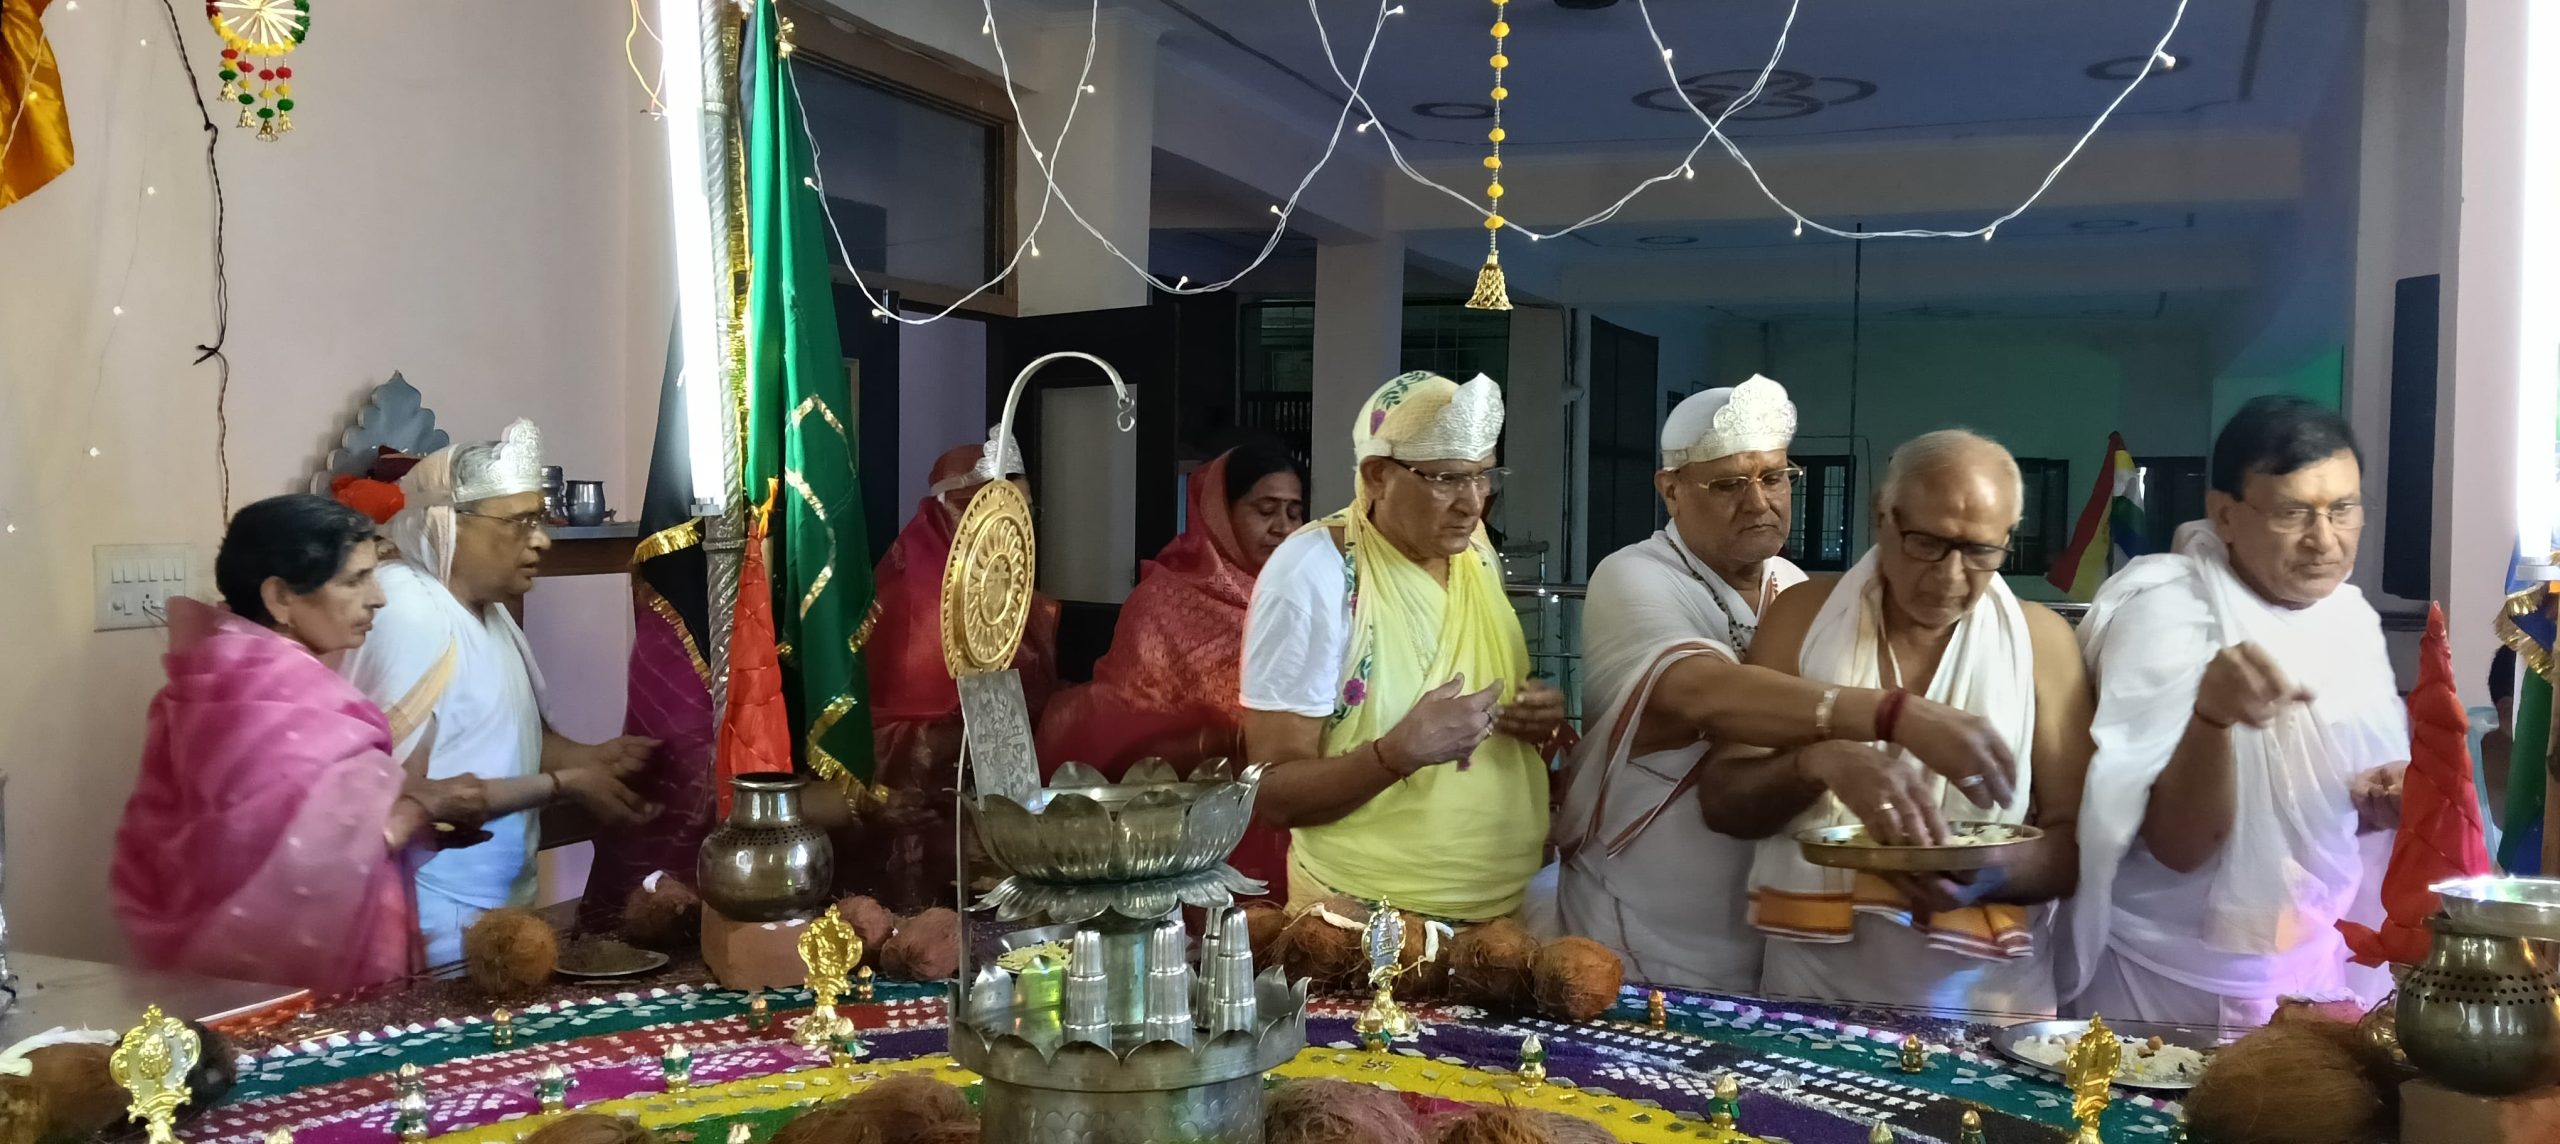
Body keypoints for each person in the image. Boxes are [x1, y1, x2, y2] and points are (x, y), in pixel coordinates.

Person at [1554, 378, 2015, 992]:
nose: (1758, 502)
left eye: (1773, 477)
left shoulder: (1794, 588)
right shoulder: (1633, 574)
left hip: (1765, 923)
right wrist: (1894, 714)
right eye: (1728, 484)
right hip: (1638, 917)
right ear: (1671, 490)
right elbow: (1703, 694)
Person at [1699, 430, 2094, 1015]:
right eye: (1927, 543)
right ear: (1882, 515)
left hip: (1989, 1001)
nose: (1950, 576)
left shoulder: (2041, 643)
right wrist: (1817, 762)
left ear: (2007, 540)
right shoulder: (1803, 619)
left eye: (1980, 551)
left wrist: (1988, 874)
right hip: (1814, 992)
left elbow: (2076, 843)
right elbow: (1723, 802)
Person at [2065, 397, 2407, 1026]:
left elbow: (2323, 811)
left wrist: (2382, 796)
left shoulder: (2352, 620)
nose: (2324, 540)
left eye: (2343, 509)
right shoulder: (2169, 613)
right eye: (2293, 512)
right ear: (2224, 514)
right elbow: (2179, 846)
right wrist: (2211, 718)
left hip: (2313, 966)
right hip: (2162, 979)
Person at [112, 495, 493, 992]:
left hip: (203, 980)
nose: (378, 598)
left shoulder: (217, 676)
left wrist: (415, 822)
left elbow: (284, 827)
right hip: (266, 986)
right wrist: (417, 810)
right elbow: (290, 868)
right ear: (280, 598)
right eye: (354, 580)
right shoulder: (262, 698)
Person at [1240, 371, 1568, 921]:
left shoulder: (1474, 551)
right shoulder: (1315, 572)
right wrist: (1397, 753)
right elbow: (1271, 793)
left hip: (1506, 911)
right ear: (1377, 476)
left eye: (1485, 477)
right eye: (1447, 479)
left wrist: (1534, 716)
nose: (1473, 504)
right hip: (1366, 923)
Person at [346, 421, 661, 965]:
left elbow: (514, 736)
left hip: (501, 917)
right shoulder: (409, 609)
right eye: (519, 523)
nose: (541, 540)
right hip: (430, 922)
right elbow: (391, 795)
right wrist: (565, 782)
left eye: (539, 519)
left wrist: (592, 759)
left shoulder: (491, 613)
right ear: (448, 524)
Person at [1036, 439, 1306, 895]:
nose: (1283, 527)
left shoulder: (1306, 596)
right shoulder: (1163, 602)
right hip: (1189, 825)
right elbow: (1126, 715)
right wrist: (1220, 733)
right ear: (1221, 514)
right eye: (1266, 510)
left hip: (1294, 816)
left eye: (1294, 512)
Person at [855, 435, 1062, 911]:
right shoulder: (913, 594)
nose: (1018, 530)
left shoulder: (1006, 585)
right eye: (1006, 513)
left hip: (1004, 804)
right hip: (931, 815)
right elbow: (894, 724)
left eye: (1026, 514)